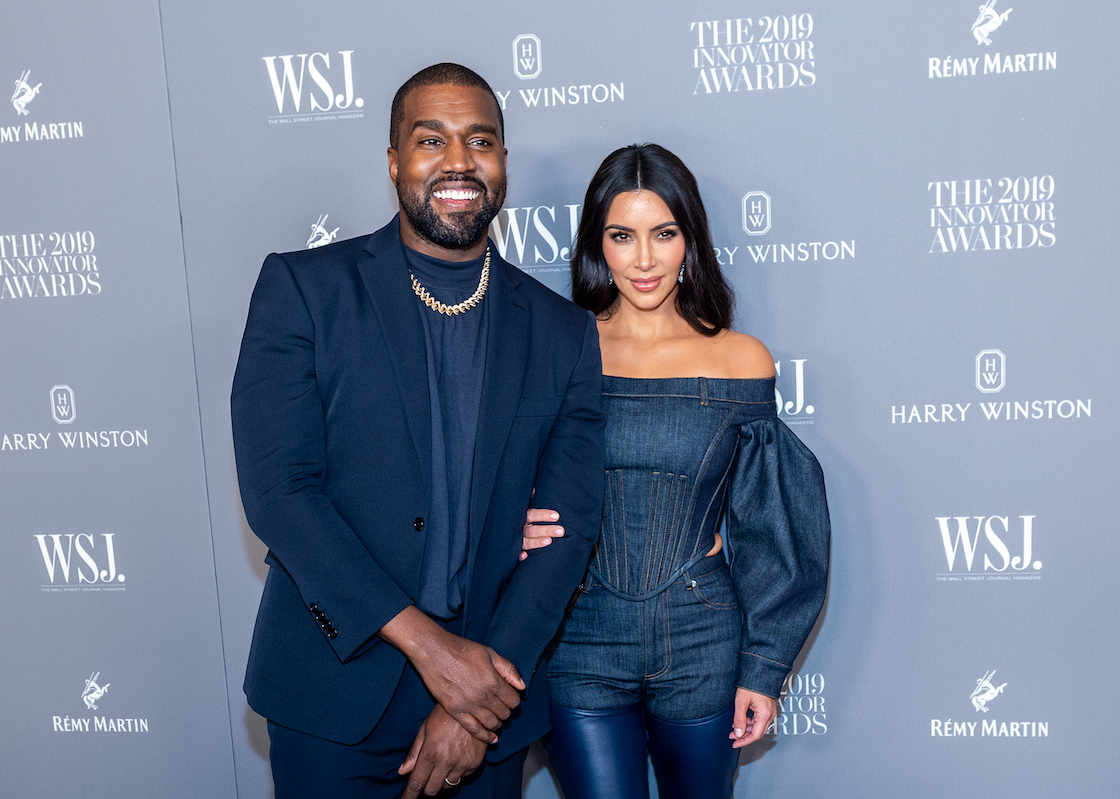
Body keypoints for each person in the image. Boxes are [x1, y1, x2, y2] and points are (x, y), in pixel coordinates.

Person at [230, 63, 606, 799]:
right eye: (431, 140)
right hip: (332, 700)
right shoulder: (306, 290)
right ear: (395, 159)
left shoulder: (563, 332)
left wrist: (477, 699)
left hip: (490, 712)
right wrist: (438, 654)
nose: (459, 162)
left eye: (482, 141)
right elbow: (280, 493)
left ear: (503, 162)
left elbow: (572, 525)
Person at [523, 144, 830, 799]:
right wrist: (510, 524)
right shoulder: (555, 350)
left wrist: (765, 663)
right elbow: (489, 473)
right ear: (595, 245)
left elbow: (772, 521)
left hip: (702, 638)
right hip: (578, 638)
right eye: (621, 235)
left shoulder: (741, 359)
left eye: (662, 233)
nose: (642, 259)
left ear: (689, 239)